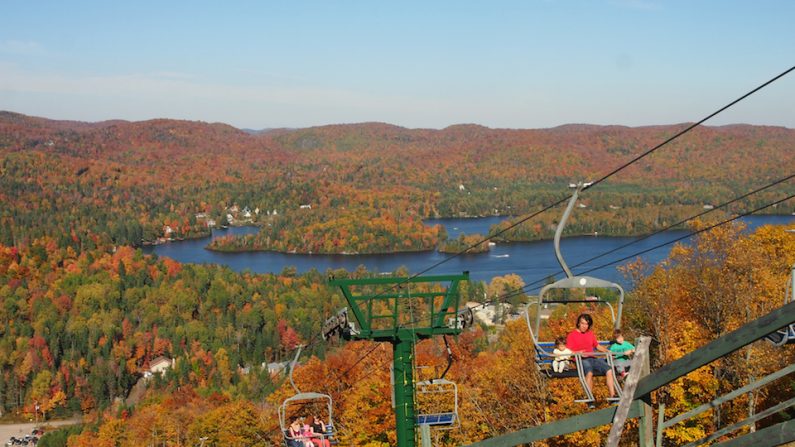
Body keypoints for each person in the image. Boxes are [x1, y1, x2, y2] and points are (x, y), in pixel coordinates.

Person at [565, 313, 616, 401]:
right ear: (578, 323)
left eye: (587, 324)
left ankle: (613, 395)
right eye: (583, 323)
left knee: (609, 369)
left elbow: (597, 346)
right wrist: (578, 353)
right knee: (589, 372)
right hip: (581, 359)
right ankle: (589, 396)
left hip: (592, 358)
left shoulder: (590, 334)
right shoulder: (572, 335)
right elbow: (568, 351)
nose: (585, 326)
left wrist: (608, 351)